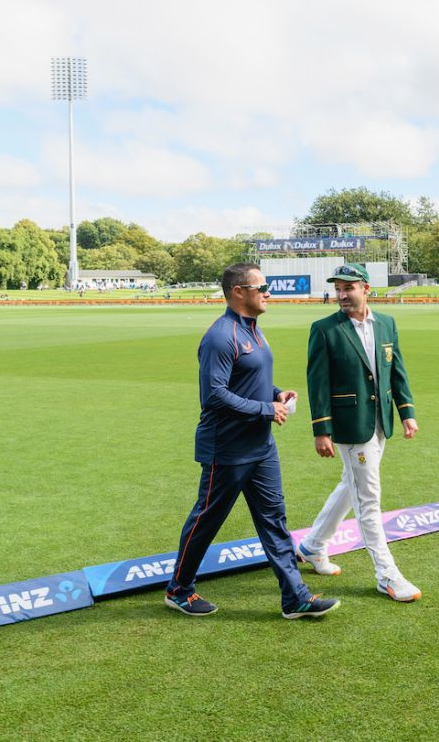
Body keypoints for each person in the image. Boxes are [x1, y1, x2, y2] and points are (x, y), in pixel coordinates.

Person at [164, 263, 338, 619]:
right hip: (226, 449)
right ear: (238, 291)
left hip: (261, 447)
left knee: (274, 519)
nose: (268, 293)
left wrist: (276, 393)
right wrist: (266, 409)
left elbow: (248, 380)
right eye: (262, 287)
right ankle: (179, 590)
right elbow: (213, 396)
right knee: (207, 519)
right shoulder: (220, 336)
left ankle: (295, 598)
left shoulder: (254, 330)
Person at [298, 263, 421, 603]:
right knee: (369, 499)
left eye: (348, 288)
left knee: (351, 487)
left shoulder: (386, 323)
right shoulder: (324, 329)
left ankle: (311, 546)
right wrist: (321, 431)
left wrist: (406, 411)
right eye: (337, 288)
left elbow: (397, 369)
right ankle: (387, 575)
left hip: (381, 420)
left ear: (365, 288)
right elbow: (317, 383)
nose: (341, 294)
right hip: (351, 426)